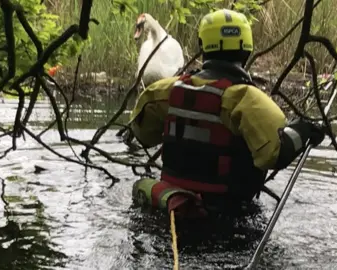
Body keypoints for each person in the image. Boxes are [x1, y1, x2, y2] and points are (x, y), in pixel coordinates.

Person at [130, 9, 326, 219]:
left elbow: (142, 134)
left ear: (202, 46)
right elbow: (274, 154)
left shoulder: (164, 92)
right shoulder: (247, 100)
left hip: (173, 209)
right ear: (246, 50)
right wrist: (303, 130)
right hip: (226, 215)